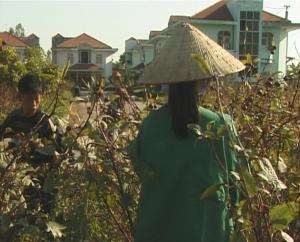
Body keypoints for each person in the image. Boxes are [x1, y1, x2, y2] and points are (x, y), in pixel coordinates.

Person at [128, 23, 245, 242]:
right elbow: (238, 185)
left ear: (168, 83)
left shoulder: (151, 124)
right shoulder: (220, 124)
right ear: (204, 81)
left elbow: (140, 164)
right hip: (206, 230)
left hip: (156, 229)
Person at [0, 74, 60, 214]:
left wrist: (37, 146)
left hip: (40, 178)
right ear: (20, 97)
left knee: (40, 214)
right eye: (29, 98)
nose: (33, 103)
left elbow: (57, 153)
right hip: (15, 177)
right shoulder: (13, 118)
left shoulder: (45, 122)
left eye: (36, 98)